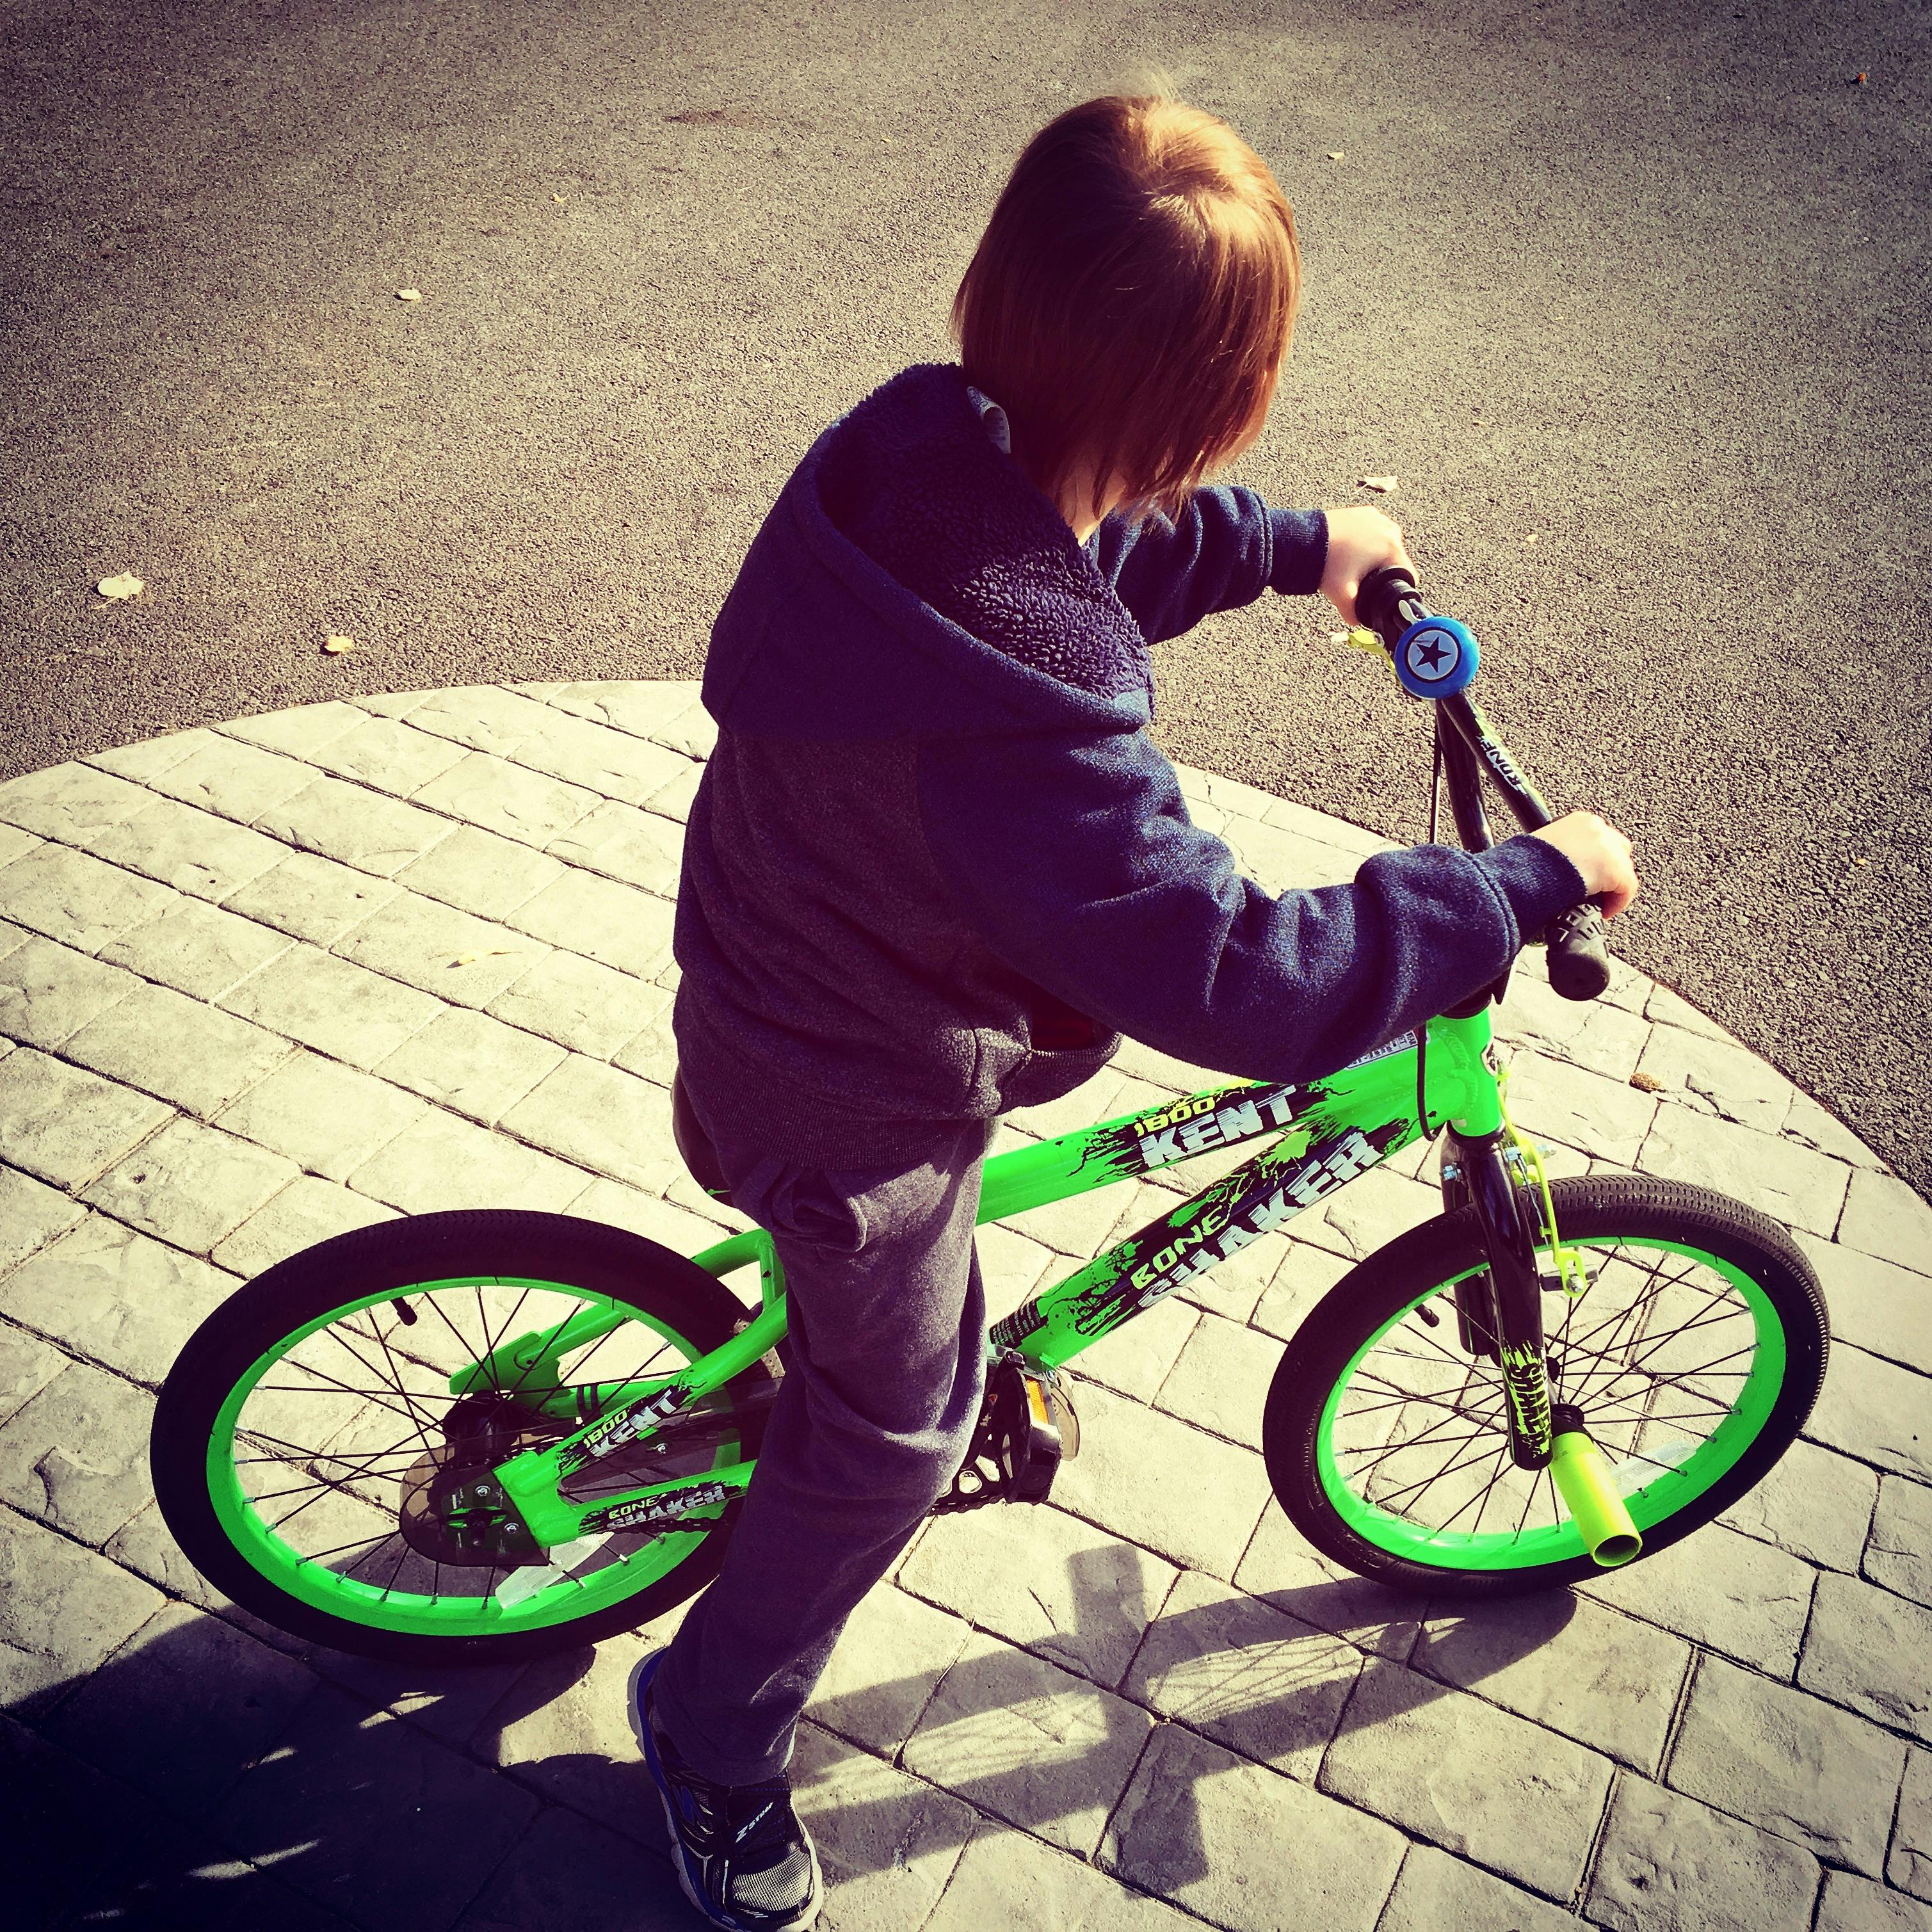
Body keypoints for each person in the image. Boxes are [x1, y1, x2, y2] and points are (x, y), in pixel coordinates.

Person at [627, 86, 1639, 1932]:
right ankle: (705, 1730)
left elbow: (1087, 538)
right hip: (845, 1092)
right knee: (890, 1434)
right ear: (1221, 402)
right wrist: (1510, 888)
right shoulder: (1029, 729)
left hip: (790, 953)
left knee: (882, 1347)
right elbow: (1230, 975)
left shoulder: (927, 447)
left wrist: (1286, 542)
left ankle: (814, 1387)